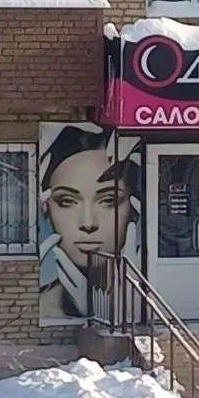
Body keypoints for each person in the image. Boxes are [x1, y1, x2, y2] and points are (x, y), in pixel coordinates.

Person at [38, 125, 140, 321]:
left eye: (108, 200)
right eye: (67, 201)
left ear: (134, 210)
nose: (88, 223)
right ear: (46, 209)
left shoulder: (147, 303)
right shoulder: (44, 307)